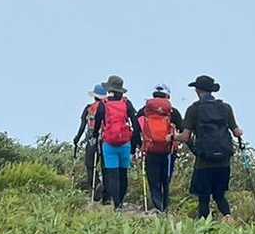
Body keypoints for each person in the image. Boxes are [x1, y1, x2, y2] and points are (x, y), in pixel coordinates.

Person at [178, 74, 242, 219]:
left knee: (203, 198)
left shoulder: (194, 109)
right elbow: (236, 131)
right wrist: (239, 133)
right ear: (211, 90)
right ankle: (228, 219)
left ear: (197, 90)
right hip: (223, 161)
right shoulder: (225, 108)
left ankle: (204, 226)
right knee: (220, 195)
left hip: (204, 161)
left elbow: (185, 137)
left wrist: (172, 137)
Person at [88, 75, 141, 210]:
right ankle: (121, 202)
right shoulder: (126, 103)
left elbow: (97, 124)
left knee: (112, 175)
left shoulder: (103, 104)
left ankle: (116, 205)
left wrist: (95, 136)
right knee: (123, 174)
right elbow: (135, 124)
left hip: (109, 144)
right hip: (125, 143)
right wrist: (136, 143)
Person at [138, 84, 183, 213]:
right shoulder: (173, 112)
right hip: (168, 151)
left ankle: (158, 207)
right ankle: (165, 207)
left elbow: (137, 128)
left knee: (154, 181)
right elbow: (183, 129)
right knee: (165, 180)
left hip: (151, 149)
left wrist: (138, 145)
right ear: (167, 96)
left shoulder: (144, 111)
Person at [72, 83, 108, 201]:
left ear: (94, 96)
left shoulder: (88, 108)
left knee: (90, 164)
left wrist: (77, 139)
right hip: (106, 139)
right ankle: (106, 193)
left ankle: (96, 185)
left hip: (92, 139)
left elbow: (83, 126)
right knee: (105, 166)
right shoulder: (108, 108)